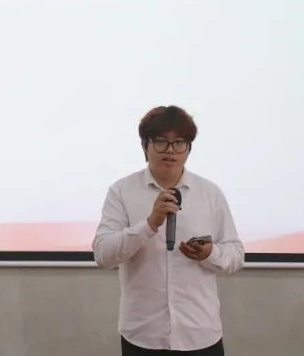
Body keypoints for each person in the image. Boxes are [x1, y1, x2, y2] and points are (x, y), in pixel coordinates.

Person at [93, 105, 244, 355]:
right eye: (161, 141)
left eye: (179, 142)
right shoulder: (121, 191)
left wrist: (210, 253)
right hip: (143, 335)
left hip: (200, 332)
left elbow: (236, 255)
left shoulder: (210, 193)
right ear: (145, 146)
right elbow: (103, 255)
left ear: (189, 148)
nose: (170, 150)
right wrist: (149, 224)